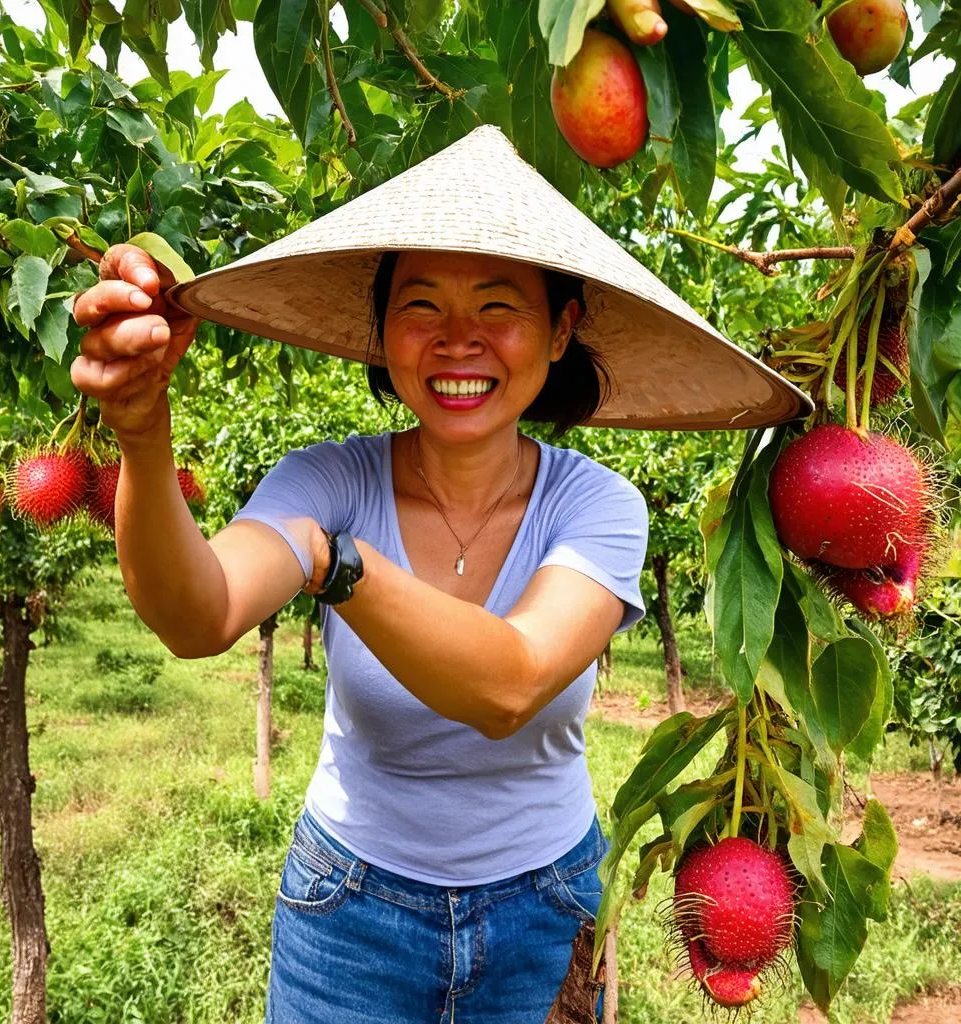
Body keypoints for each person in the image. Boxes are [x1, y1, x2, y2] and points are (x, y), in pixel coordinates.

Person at [70, 127, 809, 1023]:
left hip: (548, 914)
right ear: (382, 333)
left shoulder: (597, 506)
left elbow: (513, 683)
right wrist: (142, 432)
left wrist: (338, 565)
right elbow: (198, 615)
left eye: (500, 308)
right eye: (421, 306)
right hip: (349, 916)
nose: (459, 342)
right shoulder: (329, 477)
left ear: (560, 328)